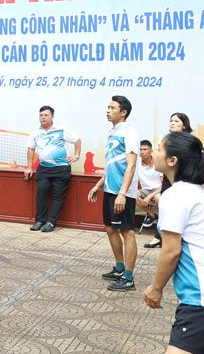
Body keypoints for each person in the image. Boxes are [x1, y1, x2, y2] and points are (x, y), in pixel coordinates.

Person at [143, 131, 204, 354]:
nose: (154, 153)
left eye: (159, 149)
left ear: (172, 161)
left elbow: (171, 251)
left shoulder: (176, 195)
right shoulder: (199, 190)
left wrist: (155, 288)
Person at [88, 95, 140, 291]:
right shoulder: (113, 132)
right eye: (108, 107)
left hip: (122, 192)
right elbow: (111, 165)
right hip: (110, 189)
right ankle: (119, 268)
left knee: (127, 232)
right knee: (110, 228)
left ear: (123, 112)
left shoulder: (130, 133)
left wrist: (122, 194)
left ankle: (128, 278)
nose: (108, 111)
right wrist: (98, 185)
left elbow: (131, 165)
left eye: (112, 108)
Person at [24, 105, 81, 233]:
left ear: (52, 117)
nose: (43, 117)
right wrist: (29, 167)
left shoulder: (61, 130)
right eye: (41, 115)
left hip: (61, 169)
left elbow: (77, 140)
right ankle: (40, 221)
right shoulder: (35, 131)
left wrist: (76, 156)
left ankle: (51, 222)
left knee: (57, 197)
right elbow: (31, 149)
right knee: (41, 194)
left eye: (46, 115)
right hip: (43, 168)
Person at [145, 113, 193, 248]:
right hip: (168, 176)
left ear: (184, 125)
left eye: (176, 121)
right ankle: (158, 236)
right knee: (165, 205)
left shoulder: (190, 140)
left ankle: (179, 237)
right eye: (171, 120)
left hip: (183, 177)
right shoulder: (165, 139)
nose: (172, 123)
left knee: (179, 207)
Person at [136, 139, 163, 230]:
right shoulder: (137, 163)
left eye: (145, 149)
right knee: (131, 194)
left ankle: (161, 221)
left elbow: (163, 184)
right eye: (140, 149)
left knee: (158, 198)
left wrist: (150, 196)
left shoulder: (158, 163)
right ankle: (152, 215)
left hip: (158, 190)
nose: (142, 152)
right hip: (145, 190)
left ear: (151, 151)